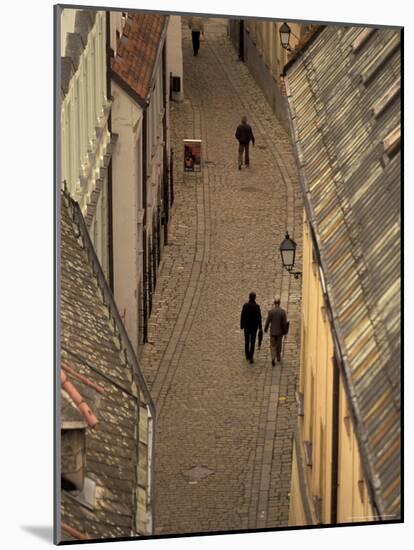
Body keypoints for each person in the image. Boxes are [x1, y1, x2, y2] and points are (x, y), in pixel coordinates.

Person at [264, 296, 288, 366]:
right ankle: (278, 357)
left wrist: (265, 329)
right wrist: (285, 331)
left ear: (274, 303)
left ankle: (273, 358)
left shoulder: (271, 312)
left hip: (273, 332)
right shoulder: (282, 312)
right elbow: (284, 323)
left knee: (272, 345)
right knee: (279, 345)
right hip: (279, 332)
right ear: (279, 303)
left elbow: (268, 321)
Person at [240, 292, 263, 364]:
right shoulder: (257, 307)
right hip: (254, 327)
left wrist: (242, 325)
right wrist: (260, 327)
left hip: (247, 326)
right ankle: (251, 356)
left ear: (249, 297)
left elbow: (242, 316)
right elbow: (259, 318)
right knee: (252, 342)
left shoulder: (245, 306)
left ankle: (247, 355)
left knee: (247, 341)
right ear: (255, 298)